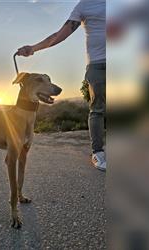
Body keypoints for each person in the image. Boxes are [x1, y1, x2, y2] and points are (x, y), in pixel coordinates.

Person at [17, 0, 106, 171]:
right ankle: (98, 153)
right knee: (98, 109)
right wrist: (33, 48)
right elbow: (59, 35)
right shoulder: (84, 5)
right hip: (98, 65)